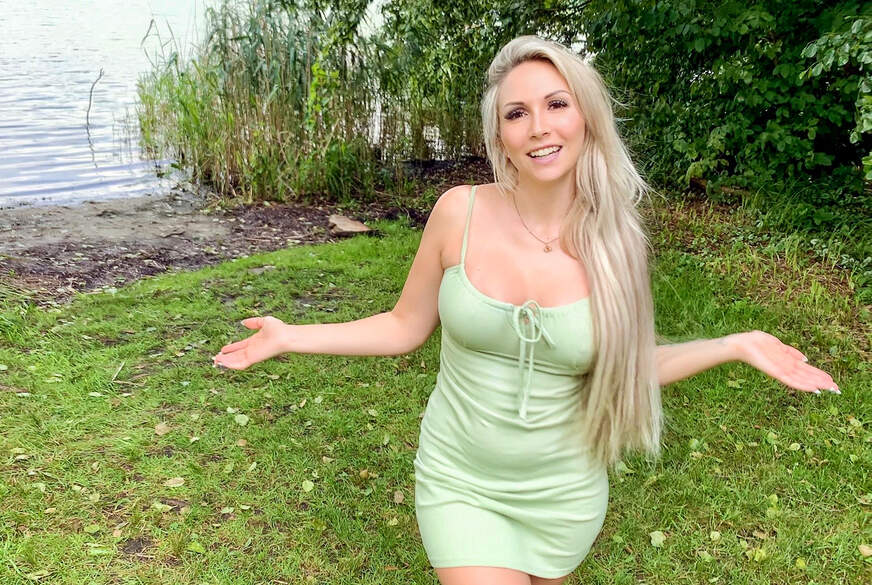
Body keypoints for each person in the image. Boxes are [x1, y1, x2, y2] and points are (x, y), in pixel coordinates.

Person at [211, 35, 839, 585]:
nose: (539, 126)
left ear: (586, 118)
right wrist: (291, 335)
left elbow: (627, 365)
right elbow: (404, 325)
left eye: (556, 104)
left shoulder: (617, 244)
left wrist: (734, 345)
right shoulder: (459, 213)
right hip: (460, 481)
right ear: (500, 137)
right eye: (517, 113)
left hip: (565, 494)